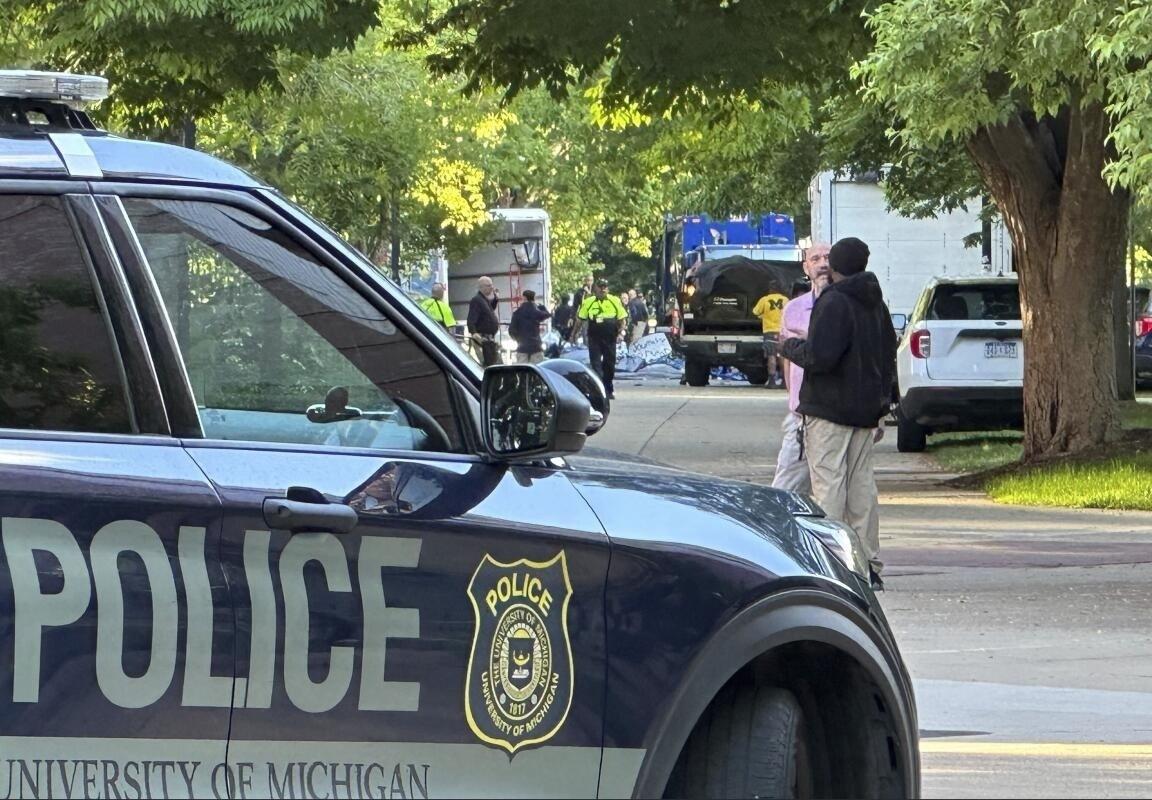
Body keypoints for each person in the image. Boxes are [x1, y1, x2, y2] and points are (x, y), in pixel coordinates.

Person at [779, 237, 898, 589]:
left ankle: (834, 561)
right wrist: (884, 403)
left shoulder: (834, 302)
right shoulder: (875, 302)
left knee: (829, 486)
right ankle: (868, 564)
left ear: (837, 267)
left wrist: (790, 347)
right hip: (864, 412)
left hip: (829, 410)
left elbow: (821, 357)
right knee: (862, 488)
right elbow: (887, 351)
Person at [772, 243, 831, 495]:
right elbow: (788, 357)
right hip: (801, 415)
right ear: (806, 268)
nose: (822, 263)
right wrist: (793, 399)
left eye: (828, 257)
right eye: (815, 259)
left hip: (836, 415)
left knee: (834, 489)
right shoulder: (794, 309)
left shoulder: (848, 305)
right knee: (787, 487)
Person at [577, 279, 628, 399]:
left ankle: (608, 389)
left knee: (609, 364)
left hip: (610, 337)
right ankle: (599, 390)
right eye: (600, 287)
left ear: (608, 289)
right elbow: (580, 319)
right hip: (594, 337)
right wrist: (573, 334)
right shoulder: (589, 301)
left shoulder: (614, 300)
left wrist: (621, 332)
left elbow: (622, 319)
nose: (603, 289)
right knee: (596, 365)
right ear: (595, 288)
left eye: (605, 287)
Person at [752, 285, 790, 387]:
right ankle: (785, 381)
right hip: (783, 331)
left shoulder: (765, 300)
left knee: (771, 356)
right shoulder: (785, 299)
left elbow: (755, 312)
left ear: (770, 290)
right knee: (782, 356)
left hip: (769, 330)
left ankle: (772, 381)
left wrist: (763, 316)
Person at [508, 289, 552, 364]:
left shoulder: (517, 313)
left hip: (522, 347)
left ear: (524, 298)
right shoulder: (537, 312)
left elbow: (511, 330)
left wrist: (518, 339)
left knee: (522, 371)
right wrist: (542, 307)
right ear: (534, 298)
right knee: (536, 371)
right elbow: (547, 315)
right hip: (536, 346)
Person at [467, 276, 501, 367]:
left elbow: (489, 311)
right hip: (483, 338)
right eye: (489, 285)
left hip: (489, 339)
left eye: (492, 285)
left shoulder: (484, 300)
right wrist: (473, 332)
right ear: (482, 287)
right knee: (488, 364)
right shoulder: (477, 300)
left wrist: (495, 299)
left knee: (494, 363)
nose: (492, 287)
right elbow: (471, 318)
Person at [569, 275, 594, 343]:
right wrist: (571, 317)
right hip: (584, 315)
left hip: (594, 315)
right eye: (588, 280)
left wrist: (589, 293)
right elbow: (575, 305)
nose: (590, 282)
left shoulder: (595, 291)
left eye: (591, 280)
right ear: (585, 281)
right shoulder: (580, 292)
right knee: (584, 332)